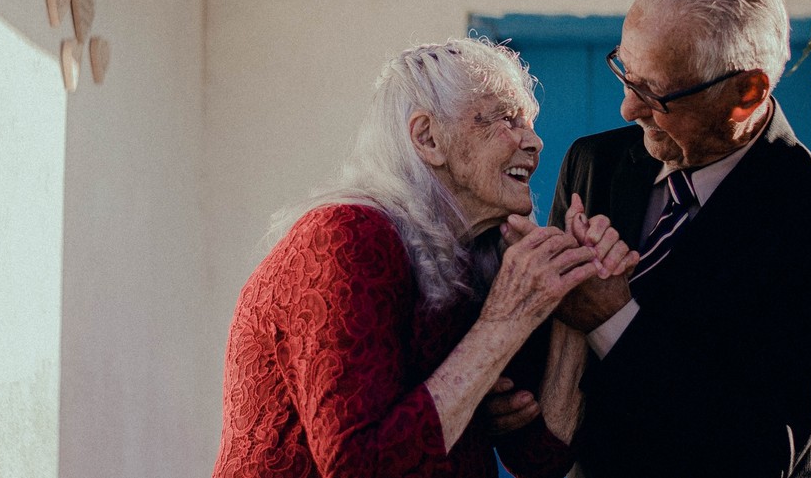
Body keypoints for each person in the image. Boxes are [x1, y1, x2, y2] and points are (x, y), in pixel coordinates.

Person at [492, 0, 811, 478]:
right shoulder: (595, 163)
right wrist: (507, 387)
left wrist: (613, 316)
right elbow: (563, 354)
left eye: (655, 92)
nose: (628, 108)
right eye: (626, 74)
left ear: (746, 93)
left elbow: (761, 452)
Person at [210, 38, 631, 478]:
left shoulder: (482, 257)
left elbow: (540, 457)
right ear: (428, 138)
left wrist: (570, 295)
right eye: (507, 119)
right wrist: (505, 321)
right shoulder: (346, 236)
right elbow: (360, 465)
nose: (534, 142)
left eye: (528, 122)